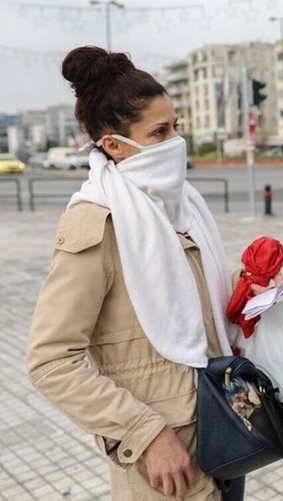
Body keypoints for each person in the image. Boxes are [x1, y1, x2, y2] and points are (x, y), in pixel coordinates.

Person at [26, 46, 243, 500]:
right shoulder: (97, 223)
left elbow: (197, 315)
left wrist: (249, 291)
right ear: (114, 145)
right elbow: (51, 361)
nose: (175, 142)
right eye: (159, 131)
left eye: (176, 128)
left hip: (225, 430)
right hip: (164, 461)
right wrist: (145, 434)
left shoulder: (182, 208)